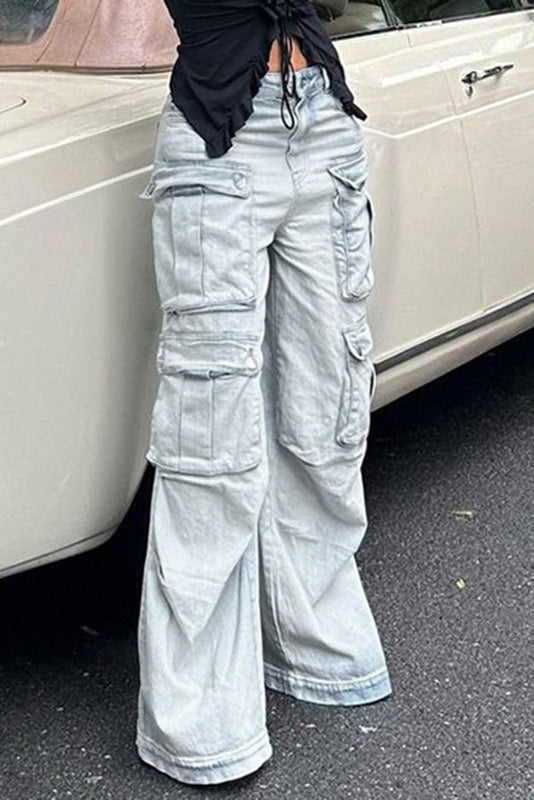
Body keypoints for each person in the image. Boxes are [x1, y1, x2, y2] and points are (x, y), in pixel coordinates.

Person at [136, 0, 392, 785]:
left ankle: (314, 645)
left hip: (323, 121)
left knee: (327, 399)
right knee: (210, 436)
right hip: (219, 136)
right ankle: (201, 723)